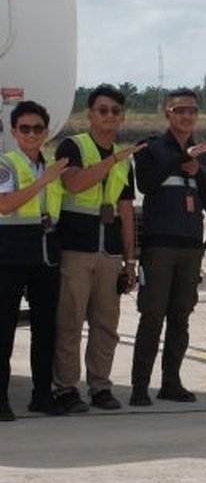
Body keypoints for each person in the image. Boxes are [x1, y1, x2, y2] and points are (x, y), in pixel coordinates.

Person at [50, 84, 143, 414]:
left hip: (109, 252)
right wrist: (113, 159)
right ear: (90, 114)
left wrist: (130, 261)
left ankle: (100, 387)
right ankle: (65, 388)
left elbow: (127, 211)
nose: (109, 116)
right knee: (70, 323)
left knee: (106, 324)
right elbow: (73, 183)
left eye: (115, 111)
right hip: (77, 249)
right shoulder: (73, 146)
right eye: (102, 110)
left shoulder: (123, 161)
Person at [130, 88, 206, 406]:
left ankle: (171, 381)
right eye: (180, 110)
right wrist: (182, 161)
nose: (187, 116)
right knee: (152, 316)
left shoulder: (203, 153)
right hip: (160, 246)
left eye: (192, 111)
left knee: (181, 316)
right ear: (168, 113)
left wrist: (201, 173)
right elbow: (147, 185)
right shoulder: (151, 148)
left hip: (190, 246)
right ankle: (140, 386)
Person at [0, 102, 67, 422]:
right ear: (14, 132)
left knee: (45, 329)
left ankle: (42, 394)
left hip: (45, 253)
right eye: (24, 129)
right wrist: (43, 181)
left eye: (37, 129)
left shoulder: (52, 165)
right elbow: (4, 204)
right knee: (3, 330)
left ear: (46, 132)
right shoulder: (6, 165)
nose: (31, 134)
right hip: (10, 253)